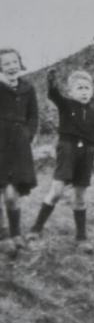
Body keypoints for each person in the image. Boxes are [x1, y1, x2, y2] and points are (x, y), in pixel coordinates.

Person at [30, 70, 94, 252]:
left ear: (92, 91)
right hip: (67, 149)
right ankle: (36, 228)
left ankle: (81, 238)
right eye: (79, 88)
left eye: (87, 88)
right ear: (71, 92)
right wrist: (51, 81)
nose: (84, 91)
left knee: (80, 195)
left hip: (86, 155)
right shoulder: (66, 105)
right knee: (56, 191)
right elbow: (53, 94)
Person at [0, 48, 38, 255]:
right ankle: (3, 236)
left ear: (20, 63)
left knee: (11, 194)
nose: (11, 67)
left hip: (18, 148)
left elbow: (33, 117)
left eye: (14, 62)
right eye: (6, 64)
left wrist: (28, 135)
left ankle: (16, 233)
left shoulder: (28, 88)